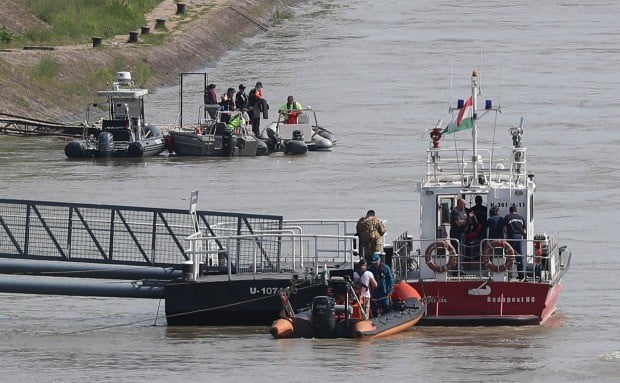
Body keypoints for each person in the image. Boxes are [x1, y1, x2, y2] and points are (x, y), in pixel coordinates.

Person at [503, 205, 527, 280]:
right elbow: (525, 231)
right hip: (519, 238)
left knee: (509, 255)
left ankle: (508, 275)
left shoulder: (507, 217)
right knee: (519, 256)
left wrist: (507, 235)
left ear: (510, 211)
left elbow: (505, 229)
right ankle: (521, 275)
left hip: (511, 237)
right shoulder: (521, 218)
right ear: (516, 211)